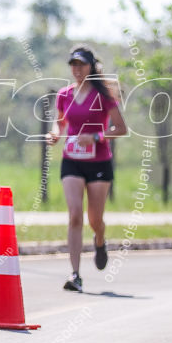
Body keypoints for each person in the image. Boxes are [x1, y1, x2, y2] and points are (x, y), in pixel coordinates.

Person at [46, 45, 127, 292]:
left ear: (91, 66)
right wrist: (55, 134)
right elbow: (60, 123)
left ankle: (100, 240)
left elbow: (121, 128)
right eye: (73, 64)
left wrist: (96, 137)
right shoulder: (64, 94)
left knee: (95, 218)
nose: (77, 69)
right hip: (72, 159)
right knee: (74, 215)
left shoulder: (103, 96)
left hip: (99, 162)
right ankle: (75, 274)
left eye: (81, 64)